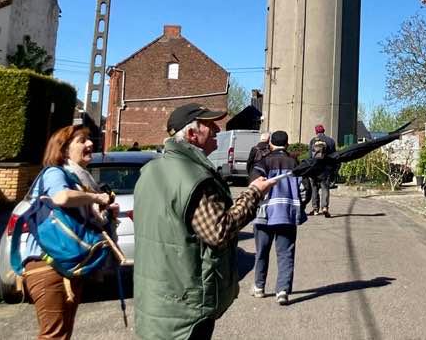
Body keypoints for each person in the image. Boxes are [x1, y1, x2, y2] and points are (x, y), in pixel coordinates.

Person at [133, 103, 278, 340]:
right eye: (210, 125)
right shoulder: (194, 178)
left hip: (155, 298)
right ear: (192, 134)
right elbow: (218, 231)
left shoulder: (149, 171)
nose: (218, 130)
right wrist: (254, 194)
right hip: (185, 310)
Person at [20, 125, 116, 340]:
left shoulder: (79, 179)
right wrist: (96, 198)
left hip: (66, 266)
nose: (90, 143)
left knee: (61, 334)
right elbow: (61, 197)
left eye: (89, 139)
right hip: (47, 265)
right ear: (64, 150)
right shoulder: (55, 172)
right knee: (54, 335)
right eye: (82, 140)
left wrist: (105, 210)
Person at [248, 131, 306, 305]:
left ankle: (259, 287)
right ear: (287, 144)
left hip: (264, 214)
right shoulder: (295, 163)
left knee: (262, 252)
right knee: (286, 253)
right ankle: (282, 291)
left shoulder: (263, 162)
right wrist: (299, 206)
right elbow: (304, 189)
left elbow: (254, 185)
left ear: (270, 144)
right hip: (287, 214)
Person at [307, 124, 337, 217]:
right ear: (324, 131)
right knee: (325, 188)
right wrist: (333, 169)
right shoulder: (331, 141)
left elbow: (310, 157)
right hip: (326, 169)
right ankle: (325, 207)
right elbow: (334, 156)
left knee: (314, 188)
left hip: (315, 169)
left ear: (316, 132)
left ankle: (315, 209)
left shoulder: (313, 141)